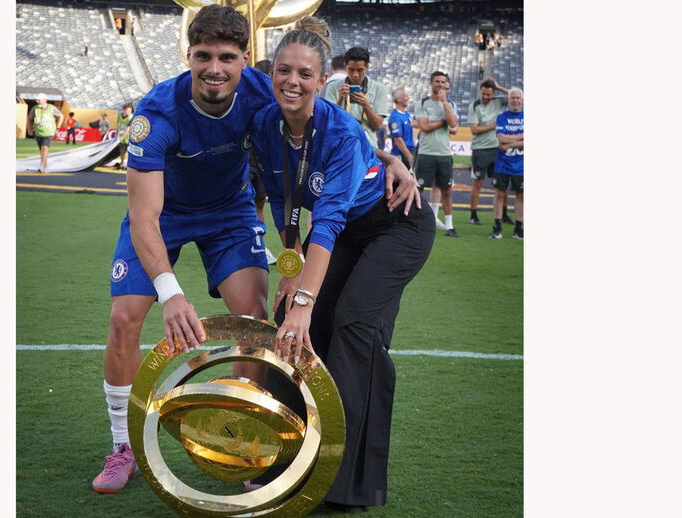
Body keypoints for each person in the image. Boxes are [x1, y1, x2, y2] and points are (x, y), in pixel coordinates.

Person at [92, 5, 421, 495]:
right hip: (165, 214)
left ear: (245, 60)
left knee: (253, 318)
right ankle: (123, 446)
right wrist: (171, 292)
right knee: (124, 319)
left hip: (229, 212)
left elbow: (323, 127)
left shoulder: (262, 90)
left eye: (227, 57)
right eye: (203, 56)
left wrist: (386, 157)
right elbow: (144, 216)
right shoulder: (156, 113)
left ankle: (239, 434)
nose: (215, 69)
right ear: (188, 56)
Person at [249, 16, 433, 514]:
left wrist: (304, 301)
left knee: (353, 324)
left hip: (396, 224)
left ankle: (345, 480)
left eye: (305, 74)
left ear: (322, 80)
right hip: (347, 230)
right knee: (293, 323)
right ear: (271, 73)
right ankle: (281, 459)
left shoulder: (341, 132)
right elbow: (286, 203)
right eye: (283, 71)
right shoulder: (264, 122)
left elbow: (326, 223)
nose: (292, 81)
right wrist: (291, 279)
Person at [414, 71, 460, 236]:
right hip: (426, 153)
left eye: (443, 82)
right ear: (431, 83)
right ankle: (412, 221)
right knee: (418, 188)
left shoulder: (450, 104)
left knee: (446, 191)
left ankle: (449, 226)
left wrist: (444, 102)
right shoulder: (422, 103)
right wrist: (443, 121)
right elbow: (424, 127)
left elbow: (453, 124)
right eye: (437, 81)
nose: (440, 84)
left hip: (444, 153)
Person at [323, 46, 389, 151]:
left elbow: (377, 126)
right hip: (340, 145)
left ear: (367, 67)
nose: (355, 75)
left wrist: (366, 105)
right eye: (351, 69)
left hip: (368, 147)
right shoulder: (333, 87)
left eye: (360, 70)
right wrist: (340, 99)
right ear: (345, 66)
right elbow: (329, 120)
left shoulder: (379, 88)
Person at [467, 77, 510, 225]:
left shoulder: (498, 102)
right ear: (480, 92)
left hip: (497, 149)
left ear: (493, 93)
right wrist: (493, 126)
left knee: (502, 184)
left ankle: (504, 214)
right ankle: (473, 215)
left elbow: (516, 97)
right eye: (483, 94)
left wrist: (499, 87)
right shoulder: (474, 106)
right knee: (477, 183)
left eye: (489, 94)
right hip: (480, 150)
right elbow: (474, 129)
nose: (485, 97)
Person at [248, 59, 277, 264]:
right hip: (244, 157)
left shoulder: (273, 99)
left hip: (262, 157)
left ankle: (259, 245)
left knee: (259, 201)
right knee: (241, 201)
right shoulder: (245, 98)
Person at [490, 87, 524, 240]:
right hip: (502, 163)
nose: (515, 100)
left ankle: (518, 229)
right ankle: (497, 227)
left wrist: (510, 143)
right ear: (508, 100)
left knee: (521, 196)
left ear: (522, 100)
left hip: (522, 165)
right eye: (513, 98)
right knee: (499, 194)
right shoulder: (502, 117)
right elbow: (501, 139)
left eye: (518, 98)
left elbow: (505, 142)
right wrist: (521, 137)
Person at [26, 93, 63, 173]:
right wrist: (29, 130)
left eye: (39, 100)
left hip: (49, 131)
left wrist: (58, 126)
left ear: (45, 100)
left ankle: (42, 166)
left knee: (44, 148)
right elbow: (29, 119)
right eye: (37, 100)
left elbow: (60, 116)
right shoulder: (35, 109)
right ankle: (45, 166)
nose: (37, 101)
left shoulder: (51, 108)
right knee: (42, 149)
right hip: (38, 132)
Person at [388, 86, 415, 169]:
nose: (408, 98)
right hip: (401, 154)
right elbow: (398, 139)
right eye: (405, 96)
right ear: (398, 99)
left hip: (409, 151)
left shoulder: (406, 114)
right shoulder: (395, 117)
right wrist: (409, 156)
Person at [116, 103, 133, 169]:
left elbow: (128, 129)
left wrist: (122, 137)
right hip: (121, 137)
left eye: (130, 111)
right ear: (123, 110)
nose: (128, 112)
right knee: (122, 152)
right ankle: (122, 163)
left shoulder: (131, 117)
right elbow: (117, 125)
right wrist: (117, 135)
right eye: (127, 110)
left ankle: (130, 165)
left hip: (129, 138)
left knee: (130, 152)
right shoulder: (119, 116)